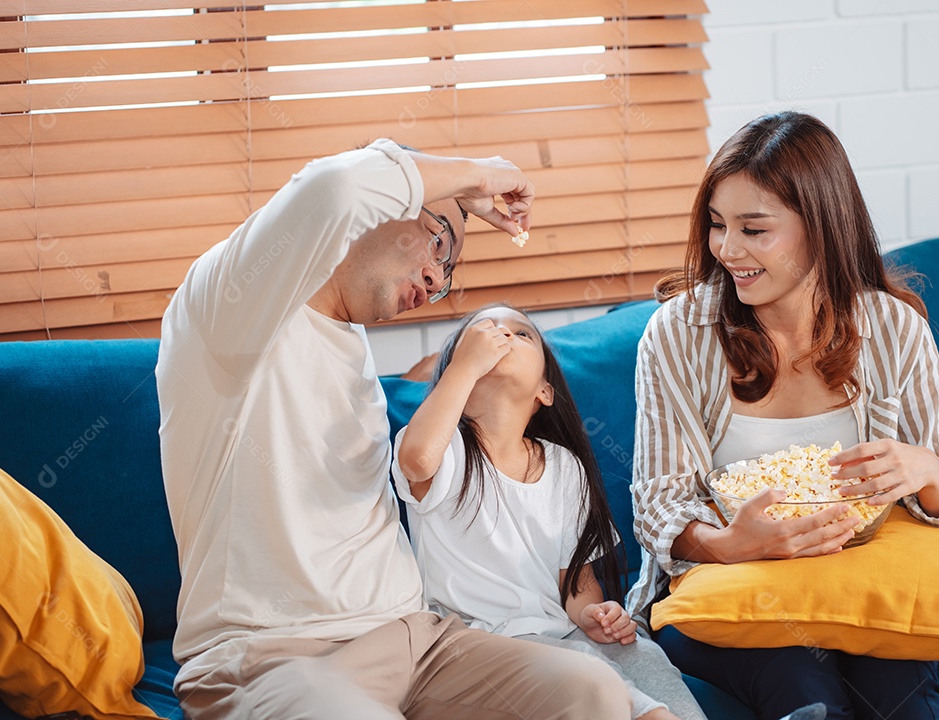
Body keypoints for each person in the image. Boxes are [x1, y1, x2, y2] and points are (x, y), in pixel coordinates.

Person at [156, 139, 634, 719]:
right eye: (438, 242)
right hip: (272, 655)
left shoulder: (350, 344)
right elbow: (334, 187)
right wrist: (480, 177)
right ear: (381, 208)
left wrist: (447, 209)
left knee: (594, 691)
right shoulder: (231, 308)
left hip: (419, 642)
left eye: (448, 267)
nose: (437, 279)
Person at [627, 112, 939, 720]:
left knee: (906, 701)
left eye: (754, 229)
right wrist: (729, 544)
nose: (727, 250)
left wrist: (924, 468)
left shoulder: (895, 328)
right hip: (735, 586)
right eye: (717, 225)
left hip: (861, 577)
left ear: (821, 228)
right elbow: (658, 504)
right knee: (802, 691)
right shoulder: (678, 335)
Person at [391, 304, 709, 720]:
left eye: (521, 334)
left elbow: (575, 582)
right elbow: (416, 461)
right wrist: (463, 369)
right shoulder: (445, 451)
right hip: (476, 643)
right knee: (595, 675)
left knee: (641, 655)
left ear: (544, 390)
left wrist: (594, 615)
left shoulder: (564, 466)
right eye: (481, 334)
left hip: (561, 629)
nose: (500, 335)